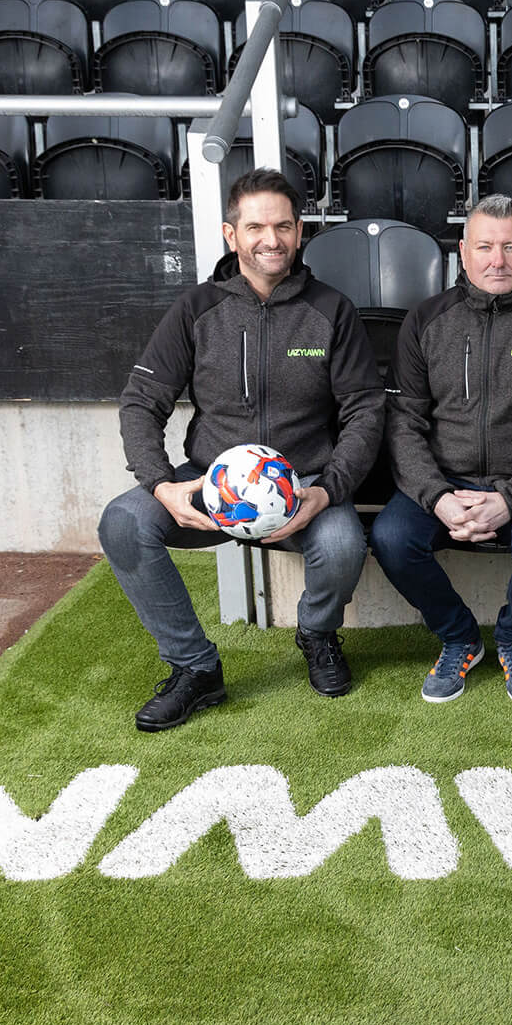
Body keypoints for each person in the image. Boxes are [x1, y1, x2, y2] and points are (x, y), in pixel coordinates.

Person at [99, 168, 384, 731]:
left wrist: (326, 493)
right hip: (213, 482)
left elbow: (365, 412)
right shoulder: (197, 308)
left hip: (300, 487)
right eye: (255, 226)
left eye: (282, 226)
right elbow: (141, 401)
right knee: (124, 522)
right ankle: (195, 669)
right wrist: (163, 484)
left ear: (300, 231)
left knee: (344, 544)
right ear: (232, 234)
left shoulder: (331, 310)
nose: (270, 239)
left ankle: (318, 635)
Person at [370, 195, 512, 705]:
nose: (499, 260)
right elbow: (402, 421)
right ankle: (459, 637)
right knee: (391, 537)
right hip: (444, 479)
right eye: (486, 247)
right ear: (463, 252)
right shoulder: (426, 320)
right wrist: (435, 496)